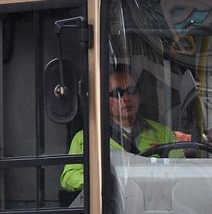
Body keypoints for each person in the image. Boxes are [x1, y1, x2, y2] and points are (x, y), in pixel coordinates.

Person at [60, 65, 192, 196]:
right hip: (113, 207)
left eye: (132, 90)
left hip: (158, 203)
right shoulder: (87, 138)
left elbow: (180, 170)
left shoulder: (162, 133)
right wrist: (108, 179)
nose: (127, 98)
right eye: (118, 93)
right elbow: (68, 178)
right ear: (104, 99)